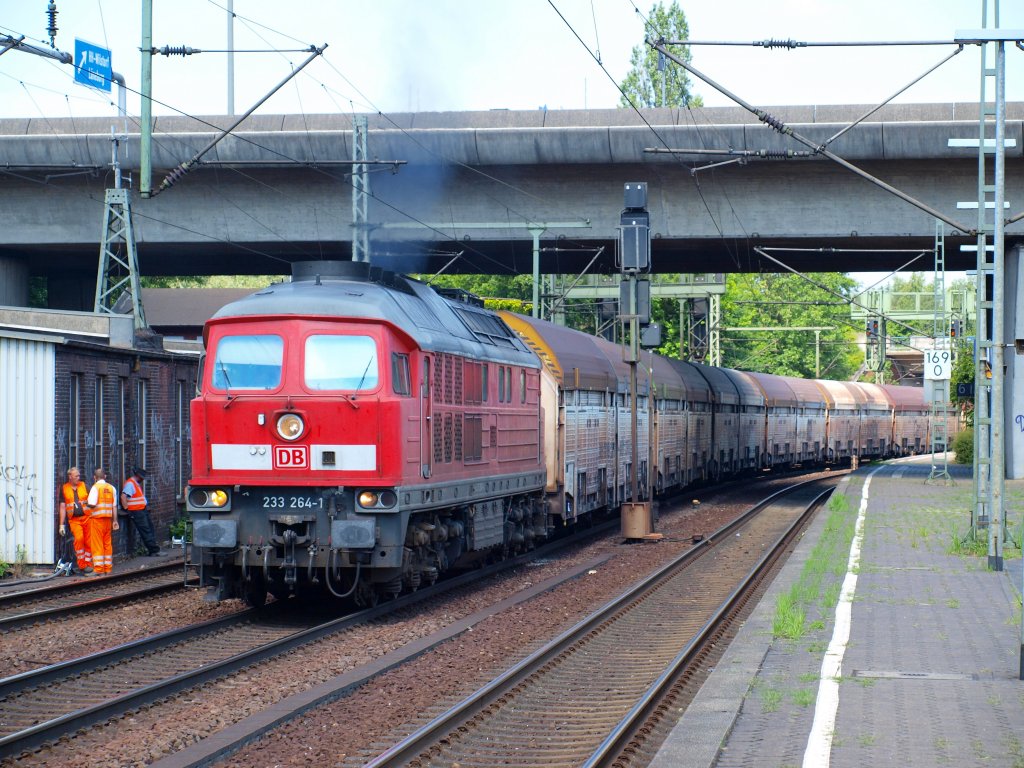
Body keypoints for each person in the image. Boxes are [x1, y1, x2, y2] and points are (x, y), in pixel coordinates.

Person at [58, 467, 93, 574]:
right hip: (74, 520)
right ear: (70, 477)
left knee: (89, 542)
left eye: (79, 475)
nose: (78, 477)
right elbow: (63, 507)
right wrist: (61, 525)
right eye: (76, 476)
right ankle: (82, 565)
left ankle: (88, 564)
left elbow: (93, 502)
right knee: (79, 539)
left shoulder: (85, 486)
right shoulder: (64, 488)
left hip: (87, 518)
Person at [121, 467, 162, 556]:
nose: (143, 480)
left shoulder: (135, 483)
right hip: (136, 511)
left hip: (141, 510)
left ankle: (153, 549)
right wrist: (127, 509)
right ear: (138, 476)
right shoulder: (130, 484)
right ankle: (154, 551)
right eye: (142, 478)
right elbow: (123, 497)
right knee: (146, 530)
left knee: (149, 528)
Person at [85, 467, 118, 574]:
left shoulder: (95, 488)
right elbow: (114, 507)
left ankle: (98, 569)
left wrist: (86, 503)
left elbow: (92, 504)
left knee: (97, 544)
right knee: (107, 544)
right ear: (105, 476)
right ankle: (108, 568)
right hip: (108, 520)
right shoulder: (112, 488)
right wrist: (115, 521)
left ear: (95, 477)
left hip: (97, 520)